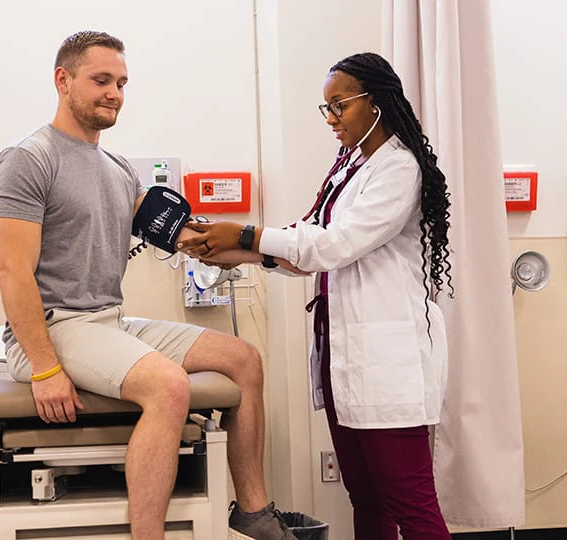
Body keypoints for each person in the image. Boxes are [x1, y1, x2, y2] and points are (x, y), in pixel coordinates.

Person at [0, 31, 296, 540]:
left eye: (122, 83)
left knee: (244, 360)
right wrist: (44, 369)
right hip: (51, 327)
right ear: (63, 81)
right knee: (168, 385)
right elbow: (11, 272)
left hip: (106, 322)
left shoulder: (117, 169)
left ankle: (255, 515)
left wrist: (276, 255)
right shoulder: (28, 159)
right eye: (101, 80)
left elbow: (190, 239)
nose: (114, 93)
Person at [179, 52, 455, 539]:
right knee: (365, 499)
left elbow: (334, 245)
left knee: (409, 502)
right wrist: (239, 253)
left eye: (339, 105)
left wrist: (244, 236)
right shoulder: (352, 169)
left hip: (388, 365)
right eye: (325, 108)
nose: (331, 118)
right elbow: (307, 244)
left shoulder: (399, 170)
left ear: (375, 102)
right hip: (345, 359)